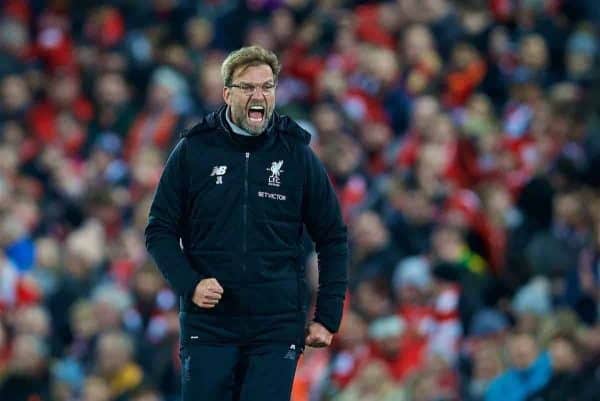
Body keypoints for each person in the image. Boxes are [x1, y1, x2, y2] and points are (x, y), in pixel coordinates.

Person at [144, 45, 348, 401]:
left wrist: (327, 316)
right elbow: (159, 229)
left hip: (276, 324)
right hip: (209, 324)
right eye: (248, 87)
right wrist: (189, 284)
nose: (260, 96)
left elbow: (332, 237)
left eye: (267, 87)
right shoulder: (194, 150)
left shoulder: (296, 153)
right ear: (227, 94)